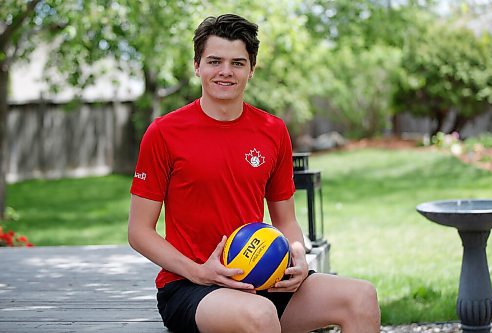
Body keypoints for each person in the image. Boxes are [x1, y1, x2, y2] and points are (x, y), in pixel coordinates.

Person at [128, 13, 380, 333]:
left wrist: (299, 258)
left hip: (263, 277)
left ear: (251, 69)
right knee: (259, 314)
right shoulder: (164, 133)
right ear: (197, 66)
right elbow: (139, 231)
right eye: (214, 61)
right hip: (191, 286)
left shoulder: (272, 131)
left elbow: (285, 219)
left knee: (361, 297)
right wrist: (199, 271)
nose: (225, 72)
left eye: (237, 63)